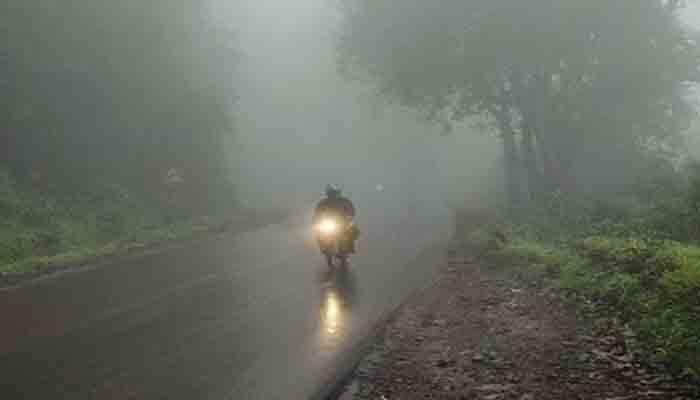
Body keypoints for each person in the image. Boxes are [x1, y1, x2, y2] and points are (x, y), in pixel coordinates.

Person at [313, 184, 359, 252]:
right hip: (329, 222)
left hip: (342, 222)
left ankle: (350, 245)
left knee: (352, 229)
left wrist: (349, 217)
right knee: (319, 232)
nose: (332, 195)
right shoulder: (323, 202)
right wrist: (316, 220)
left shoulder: (344, 201)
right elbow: (317, 212)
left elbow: (351, 210)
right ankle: (323, 246)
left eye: (333, 193)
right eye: (331, 193)